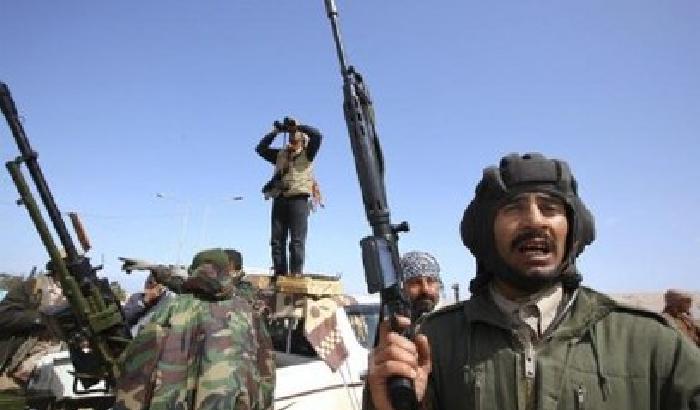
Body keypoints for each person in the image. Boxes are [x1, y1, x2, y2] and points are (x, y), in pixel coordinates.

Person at [366, 153, 700, 410]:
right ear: (485, 233)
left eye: (550, 208)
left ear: (573, 230)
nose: (535, 221)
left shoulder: (653, 344)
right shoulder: (430, 343)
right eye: (514, 209)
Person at [114, 248, 275, 410]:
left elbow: (135, 365)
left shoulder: (171, 309)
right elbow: (266, 371)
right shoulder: (247, 313)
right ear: (227, 273)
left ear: (192, 271)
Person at [256, 116, 323, 278]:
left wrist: (298, 127)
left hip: (298, 200)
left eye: (295, 138)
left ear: (302, 141)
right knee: (277, 240)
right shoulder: (281, 155)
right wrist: (276, 132)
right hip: (279, 198)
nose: (291, 141)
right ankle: (279, 274)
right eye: (290, 138)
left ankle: (296, 274)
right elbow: (261, 149)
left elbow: (317, 135)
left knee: (296, 241)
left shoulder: (307, 154)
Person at [0, 263, 65, 403]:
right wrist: (39, 318)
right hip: (18, 368)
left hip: (60, 365)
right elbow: (3, 316)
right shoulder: (33, 287)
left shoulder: (83, 294)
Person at [400, 251, 443, 321]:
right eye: (415, 283)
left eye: (430, 281)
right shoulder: (388, 324)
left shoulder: (454, 323)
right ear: (402, 288)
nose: (425, 289)